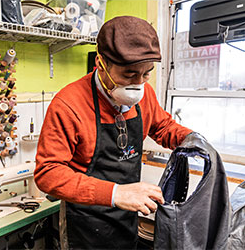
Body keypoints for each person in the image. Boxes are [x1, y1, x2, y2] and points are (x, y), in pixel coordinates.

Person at [34, 15, 195, 249]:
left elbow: (162, 127)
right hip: (85, 224)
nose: (138, 84)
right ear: (101, 64)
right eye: (129, 75)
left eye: (146, 73)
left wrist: (192, 139)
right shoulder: (68, 105)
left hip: (126, 218)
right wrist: (115, 193)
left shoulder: (144, 94)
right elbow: (48, 173)